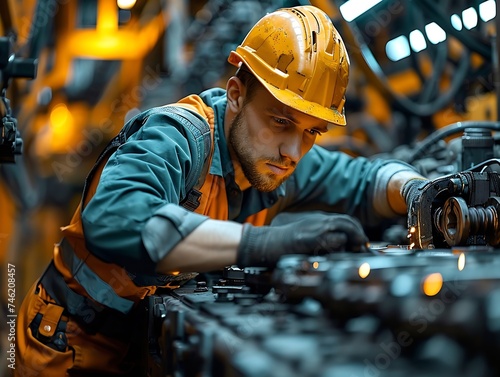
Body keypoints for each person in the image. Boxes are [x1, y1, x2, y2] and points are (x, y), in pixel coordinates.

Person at [15, 5, 429, 376]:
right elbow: (115, 216)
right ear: (235, 94)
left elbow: (365, 180)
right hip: (71, 345)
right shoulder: (178, 136)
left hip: (145, 342)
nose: (293, 151)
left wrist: (418, 191)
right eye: (281, 121)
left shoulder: (282, 160)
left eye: (312, 132)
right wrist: (265, 243)